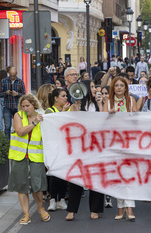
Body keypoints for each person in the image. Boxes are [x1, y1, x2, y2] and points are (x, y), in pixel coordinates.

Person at [8, 94, 50, 224]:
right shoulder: (18, 116)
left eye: (28, 106)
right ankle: (26, 214)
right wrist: (34, 123)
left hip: (36, 156)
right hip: (19, 156)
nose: (25, 108)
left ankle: (40, 208)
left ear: (34, 105)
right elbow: (20, 132)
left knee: (37, 186)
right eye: (23, 106)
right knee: (21, 186)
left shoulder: (41, 117)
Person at [65, 79, 104, 221]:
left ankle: (95, 209)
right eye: (92, 87)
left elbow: (105, 120)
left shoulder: (98, 104)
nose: (95, 89)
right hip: (80, 148)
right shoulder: (76, 106)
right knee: (76, 179)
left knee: (96, 178)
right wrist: (75, 107)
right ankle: (72, 210)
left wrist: (100, 103)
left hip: (96, 147)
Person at [103, 77, 137, 221]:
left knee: (129, 176)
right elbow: (100, 123)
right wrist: (108, 116)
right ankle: (120, 208)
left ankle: (129, 208)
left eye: (121, 85)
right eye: (116, 85)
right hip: (114, 144)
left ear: (125, 87)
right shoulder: (108, 102)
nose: (118, 88)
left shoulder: (131, 101)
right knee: (117, 177)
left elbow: (137, 120)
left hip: (129, 143)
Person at [45, 89, 70, 211]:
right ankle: (53, 199)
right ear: (55, 98)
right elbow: (54, 127)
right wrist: (64, 113)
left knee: (64, 174)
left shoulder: (69, 110)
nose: (66, 98)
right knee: (54, 174)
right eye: (63, 96)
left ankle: (62, 199)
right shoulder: (49, 111)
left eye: (66, 96)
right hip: (54, 148)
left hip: (66, 147)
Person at [0, 67, 26, 139]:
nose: (12, 77)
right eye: (11, 76)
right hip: (7, 106)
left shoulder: (20, 81)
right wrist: (6, 93)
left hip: (17, 107)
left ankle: (17, 142)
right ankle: (7, 144)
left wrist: (17, 94)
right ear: (9, 74)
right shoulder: (4, 81)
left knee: (18, 126)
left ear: (16, 74)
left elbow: (24, 94)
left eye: (13, 76)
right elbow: (0, 93)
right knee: (7, 126)